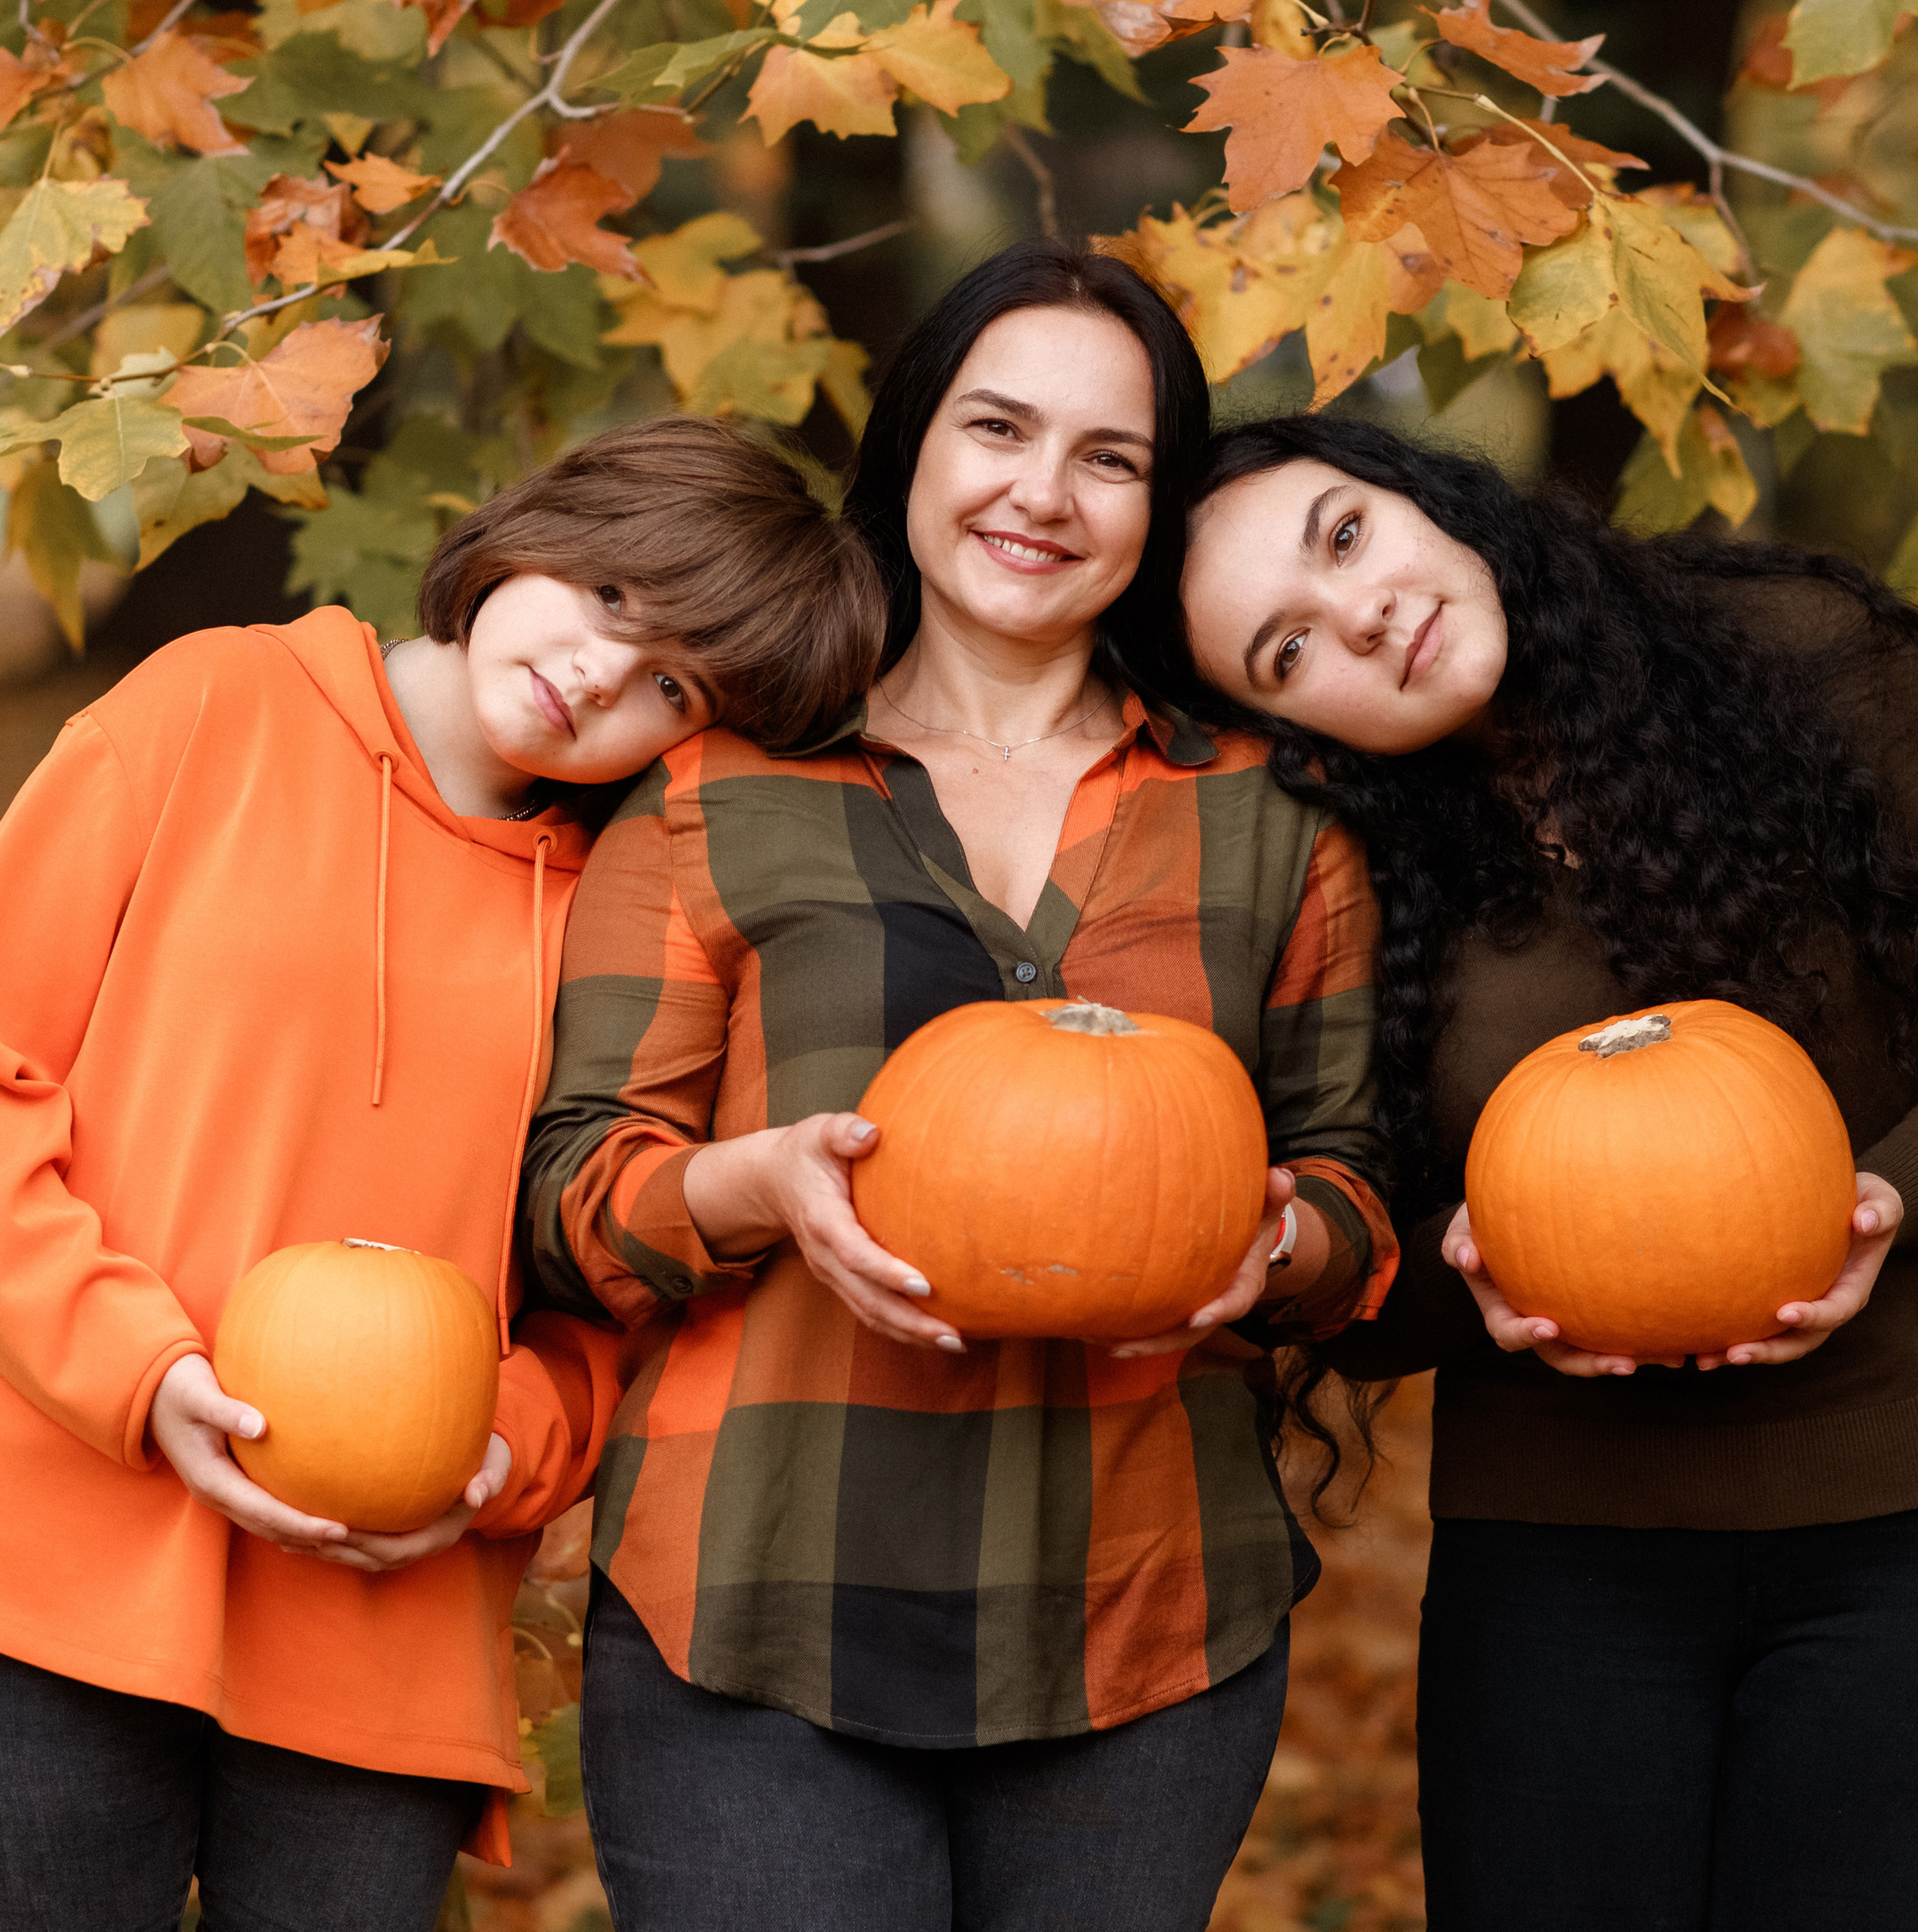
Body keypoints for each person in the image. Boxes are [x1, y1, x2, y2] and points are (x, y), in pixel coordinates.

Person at [519, 246, 1397, 1932]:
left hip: (1145, 1614)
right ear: (916, 444)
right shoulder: (717, 783)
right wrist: (750, 1184)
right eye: (998, 428)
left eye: (1111, 458)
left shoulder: (1270, 817)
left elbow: (1353, 1181)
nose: (1042, 495)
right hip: (758, 1601)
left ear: (1156, 507)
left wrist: (1280, 1248)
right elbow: (573, 1188)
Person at [1178, 410, 1918, 1932]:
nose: (1358, 616)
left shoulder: (1801, 654)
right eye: (1286, 654)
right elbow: (1347, 1249)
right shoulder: (1338, 861)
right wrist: (1462, 1280)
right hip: (1568, 1562)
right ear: (1293, 731)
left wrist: (1881, 1198)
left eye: (1344, 535)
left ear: (1425, 497)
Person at [0, 417, 884, 1932]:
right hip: (58, 1563)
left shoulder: (638, 908)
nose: (605, 675)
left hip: (383, 1618)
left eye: (674, 683)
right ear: (540, 526)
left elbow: (610, 1271)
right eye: (613, 599)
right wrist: (136, 1372)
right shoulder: (213, 699)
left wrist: (507, 1452)